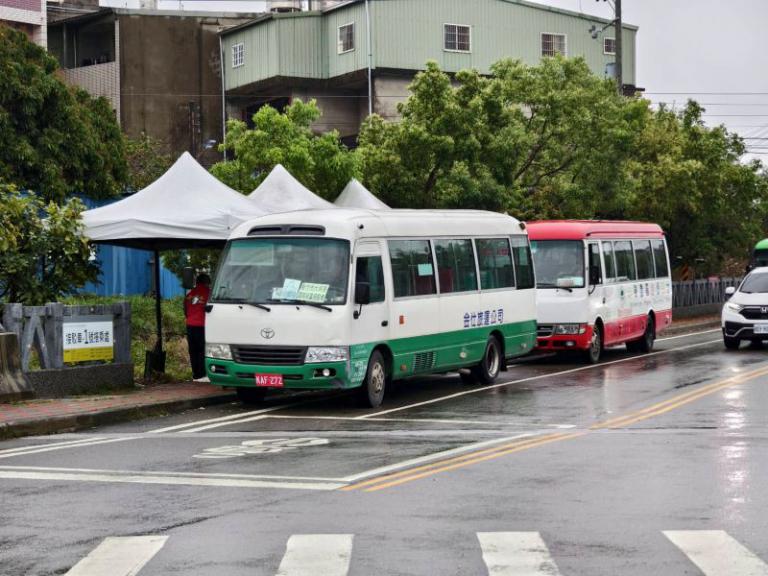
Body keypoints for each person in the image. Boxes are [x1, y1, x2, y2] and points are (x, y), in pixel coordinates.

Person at [184, 273, 211, 382]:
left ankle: (196, 374)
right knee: (202, 350)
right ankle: (203, 373)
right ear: (206, 282)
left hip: (190, 325)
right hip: (202, 326)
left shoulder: (189, 294)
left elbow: (185, 311)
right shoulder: (209, 294)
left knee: (193, 350)